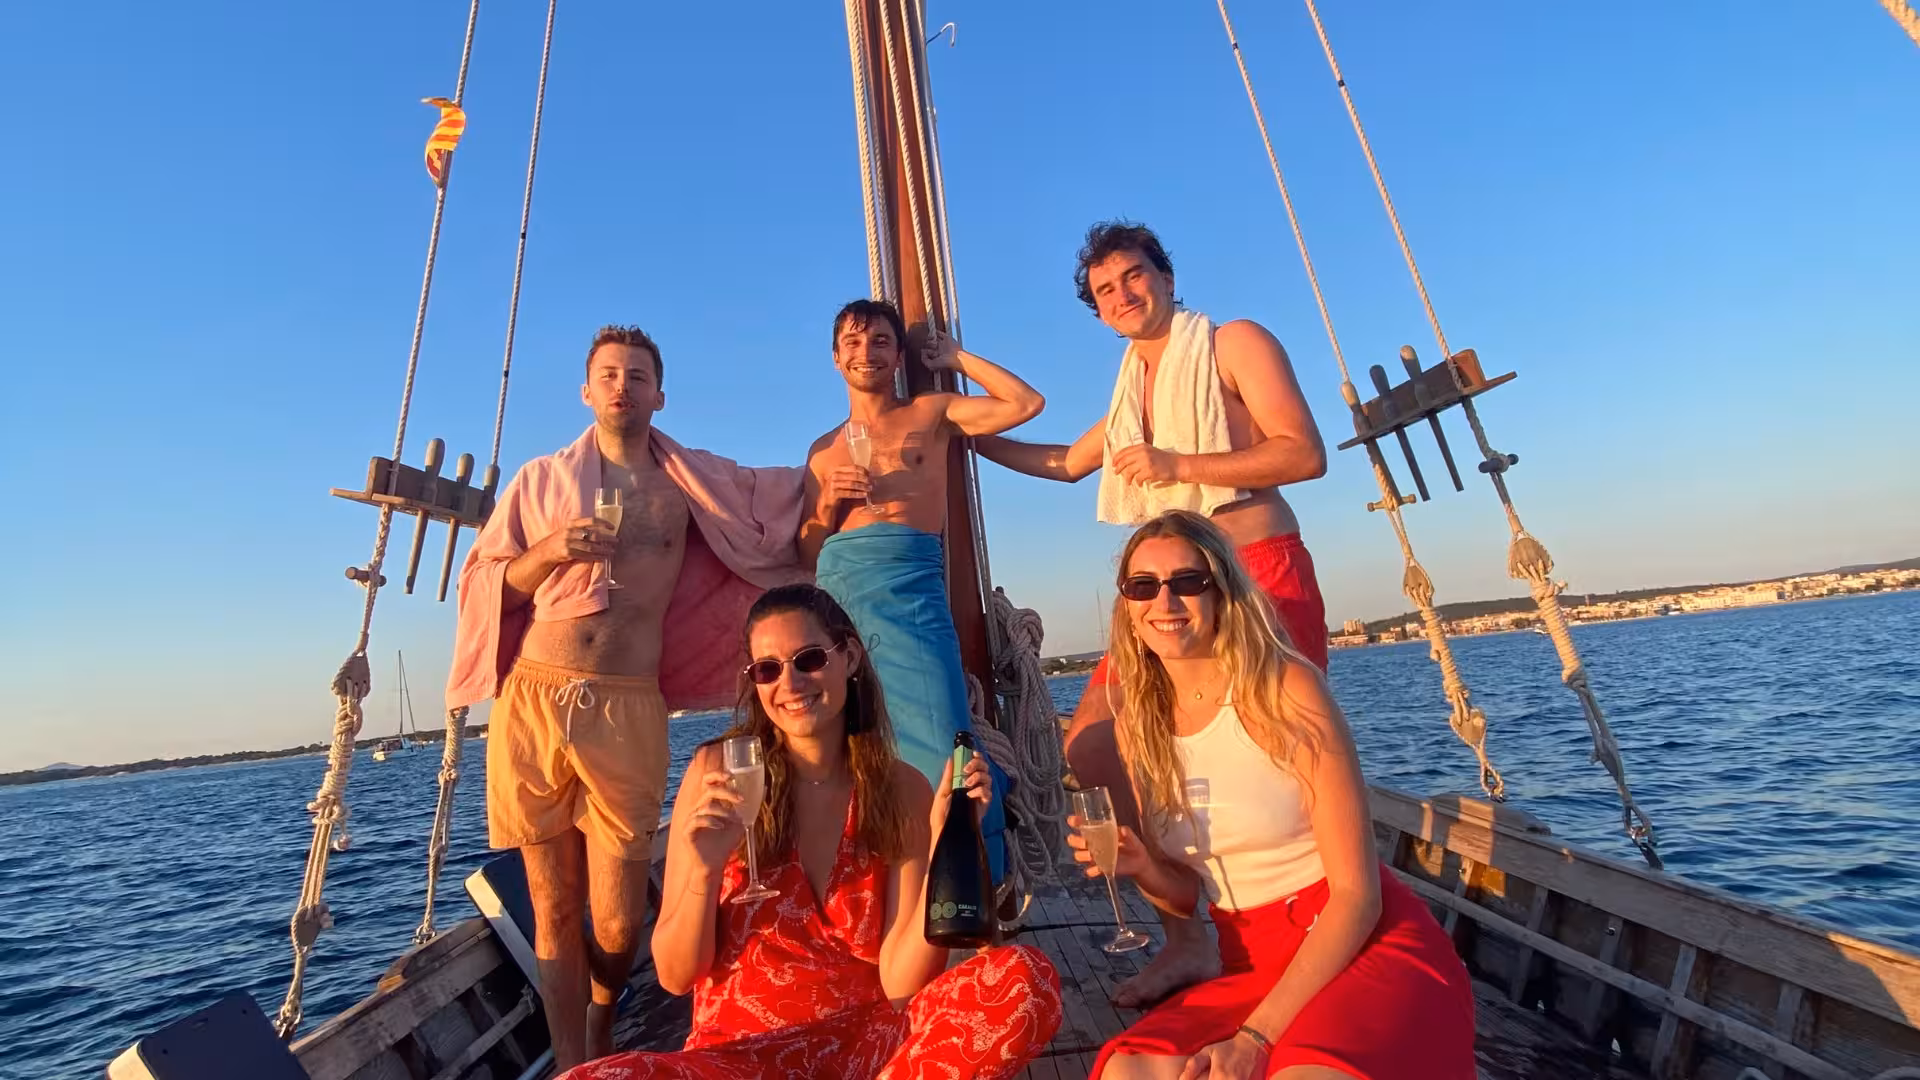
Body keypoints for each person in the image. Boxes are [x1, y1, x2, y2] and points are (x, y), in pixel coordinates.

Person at [974, 220, 1330, 1004]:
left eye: (1133, 276)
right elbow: (1066, 463)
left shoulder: (1233, 344)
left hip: (1254, 579)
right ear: (1096, 311)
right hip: (1166, 596)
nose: (1122, 295)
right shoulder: (1133, 388)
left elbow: (1302, 452)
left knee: (1278, 751)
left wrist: (1181, 466)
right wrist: (957, 428)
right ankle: (1188, 932)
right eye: (1104, 290)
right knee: (1095, 746)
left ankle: (1309, 932)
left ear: (1166, 276)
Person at [445, 325, 809, 1070]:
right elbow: (485, 581)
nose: (622, 386)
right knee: (552, 907)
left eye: (637, 376)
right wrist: (549, 552)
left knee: (615, 916)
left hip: (628, 703)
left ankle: (604, 1011)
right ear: (586, 391)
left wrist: (858, 472)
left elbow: (785, 497)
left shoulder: (689, 483)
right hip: (536, 698)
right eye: (609, 374)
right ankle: (575, 1059)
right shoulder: (541, 481)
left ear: (659, 394)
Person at [563, 584, 1063, 1079]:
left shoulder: (899, 788)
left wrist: (943, 846)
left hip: (869, 1055)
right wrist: (702, 869)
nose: (791, 683)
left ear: (849, 657)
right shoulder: (718, 774)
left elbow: (900, 983)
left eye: (809, 659)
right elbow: (674, 976)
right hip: (736, 1059)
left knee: (1024, 981)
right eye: (768, 669)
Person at [1067, 511, 1475, 1080]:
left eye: (1188, 581)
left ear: (1222, 593)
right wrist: (1141, 866)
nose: (1165, 601)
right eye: (1143, 586)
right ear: (1128, 610)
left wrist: (1256, 1038)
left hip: (1357, 947)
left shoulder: (1285, 689)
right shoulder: (1138, 722)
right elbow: (1190, 890)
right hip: (1251, 963)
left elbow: (1358, 895)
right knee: (1127, 1074)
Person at [799, 298, 1045, 881]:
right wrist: (831, 501)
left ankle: (977, 882)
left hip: (910, 586)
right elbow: (807, 552)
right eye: (854, 343)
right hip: (840, 594)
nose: (867, 352)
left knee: (945, 744)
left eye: (880, 340)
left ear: (896, 354)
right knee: (856, 744)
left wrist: (956, 356)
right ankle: (887, 883)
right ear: (836, 358)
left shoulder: (931, 413)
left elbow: (1025, 404)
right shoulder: (822, 450)